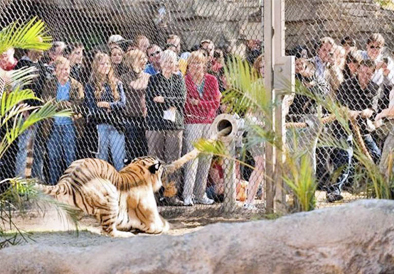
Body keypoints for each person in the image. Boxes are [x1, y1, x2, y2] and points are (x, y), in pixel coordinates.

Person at [145, 50, 186, 205]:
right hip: (155, 124)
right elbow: (150, 101)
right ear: (160, 63)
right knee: (155, 161)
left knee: (173, 161)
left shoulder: (178, 80)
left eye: (171, 61)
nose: (168, 65)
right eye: (165, 61)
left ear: (175, 63)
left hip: (174, 126)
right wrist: (171, 102)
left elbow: (181, 100)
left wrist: (163, 99)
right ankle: (153, 196)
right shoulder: (153, 80)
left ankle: (171, 195)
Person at [182, 50, 221, 206]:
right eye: (193, 62)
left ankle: (200, 194)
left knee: (206, 159)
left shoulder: (211, 80)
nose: (196, 66)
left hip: (209, 123)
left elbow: (216, 103)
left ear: (204, 65)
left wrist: (198, 104)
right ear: (189, 65)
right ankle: (188, 194)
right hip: (192, 123)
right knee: (192, 160)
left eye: (199, 63)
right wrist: (203, 106)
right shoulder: (185, 81)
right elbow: (185, 104)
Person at [41, 57, 85, 184]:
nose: (65, 71)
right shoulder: (49, 83)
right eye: (61, 69)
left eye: (67, 69)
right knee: (54, 158)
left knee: (69, 158)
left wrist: (58, 104)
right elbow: (46, 102)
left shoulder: (76, 85)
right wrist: (65, 103)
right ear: (55, 70)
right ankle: (55, 185)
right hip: (52, 126)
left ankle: (70, 185)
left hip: (70, 125)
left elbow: (77, 105)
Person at [85, 52, 126, 170]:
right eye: (102, 64)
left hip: (116, 124)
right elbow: (92, 107)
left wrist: (108, 105)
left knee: (119, 159)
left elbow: (123, 104)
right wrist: (110, 108)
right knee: (101, 161)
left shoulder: (117, 83)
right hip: (100, 125)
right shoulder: (90, 85)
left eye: (108, 63)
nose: (106, 66)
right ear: (96, 66)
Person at [120, 49, 150, 160]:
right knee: (131, 147)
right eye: (141, 58)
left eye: (144, 58)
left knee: (144, 147)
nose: (144, 60)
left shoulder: (148, 77)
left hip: (145, 117)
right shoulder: (124, 78)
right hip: (130, 117)